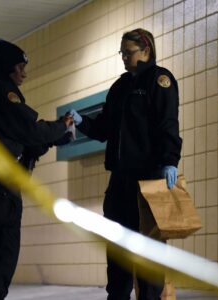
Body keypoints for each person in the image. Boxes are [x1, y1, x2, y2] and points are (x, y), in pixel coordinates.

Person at [69, 28, 182, 300]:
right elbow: (106, 127)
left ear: (146, 51)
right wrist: (84, 123)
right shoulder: (119, 87)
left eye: (128, 52)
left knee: (148, 256)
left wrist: (169, 161)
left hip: (149, 178)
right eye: (121, 52)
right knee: (118, 253)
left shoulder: (160, 80)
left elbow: (167, 125)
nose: (123, 57)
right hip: (120, 181)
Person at [0, 39, 73, 300]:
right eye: (20, 67)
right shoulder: (3, 93)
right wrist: (61, 125)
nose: (24, 73)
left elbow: (21, 140)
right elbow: (29, 130)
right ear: (8, 67)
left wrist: (52, 138)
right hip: (1, 188)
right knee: (3, 256)